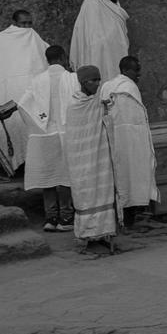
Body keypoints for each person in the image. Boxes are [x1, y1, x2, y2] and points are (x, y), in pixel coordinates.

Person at [0, 9, 48, 174]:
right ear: (14, 23)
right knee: (15, 127)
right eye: (23, 23)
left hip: (31, 93)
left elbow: (45, 58)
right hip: (8, 93)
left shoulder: (34, 37)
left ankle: (37, 167)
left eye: (29, 23)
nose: (27, 27)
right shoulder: (1, 39)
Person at [18, 45, 75, 232]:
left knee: (48, 177)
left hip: (44, 135)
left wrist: (37, 126)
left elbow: (22, 105)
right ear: (62, 57)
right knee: (65, 176)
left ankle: (51, 218)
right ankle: (66, 218)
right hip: (66, 133)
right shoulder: (72, 79)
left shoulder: (37, 81)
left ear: (47, 59)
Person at [101, 55, 159, 230]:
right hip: (129, 141)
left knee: (122, 178)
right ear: (125, 70)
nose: (139, 73)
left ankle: (121, 219)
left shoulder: (107, 86)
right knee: (129, 177)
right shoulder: (128, 87)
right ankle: (127, 221)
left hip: (115, 139)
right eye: (136, 70)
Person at [65, 65, 116, 254]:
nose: (97, 84)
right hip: (81, 160)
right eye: (93, 80)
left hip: (99, 156)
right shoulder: (74, 105)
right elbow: (73, 137)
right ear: (83, 82)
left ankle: (103, 232)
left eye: (98, 80)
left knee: (102, 190)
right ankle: (86, 233)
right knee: (85, 194)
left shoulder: (98, 102)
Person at [70, 0, 129, 84]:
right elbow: (83, 28)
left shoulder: (114, 5)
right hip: (95, 50)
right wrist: (100, 42)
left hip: (115, 50)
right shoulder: (90, 3)